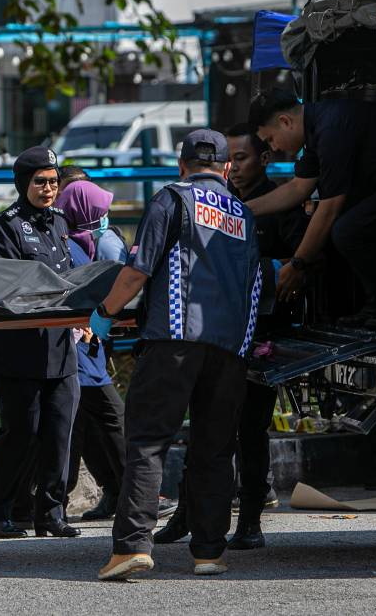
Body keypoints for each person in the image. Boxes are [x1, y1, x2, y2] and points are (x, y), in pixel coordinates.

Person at [91, 129, 261, 580]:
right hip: (229, 349)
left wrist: (103, 313)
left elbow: (136, 272)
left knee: (147, 441)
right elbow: (256, 285)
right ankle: (208, 552)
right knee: (214, 449)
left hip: (174, 339)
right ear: (226, 169)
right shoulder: (244, 213)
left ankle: (132, 547)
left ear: (181, 165)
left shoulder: (172, 199)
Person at [154, 122, 310, 550]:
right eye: (231, 159)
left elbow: (296, 264)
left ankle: (250, 522)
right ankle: (187, 516)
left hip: (258, 335)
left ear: (261, 159)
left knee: (250, 431)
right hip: (209, 334)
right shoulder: (212, 201)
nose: (233, 167)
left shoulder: (280, 204)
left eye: (240, 158)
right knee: (201, 428)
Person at [0, 146, 82, 539]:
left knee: (59, 431)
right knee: (20, 430)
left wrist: (80, 318)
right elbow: (4, 283)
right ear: (24, 184)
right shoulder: (5, 225)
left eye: (54, 181)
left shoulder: (58, 222)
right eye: (40, 182)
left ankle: (52, 513)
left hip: (58, 346)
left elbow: (69, 274)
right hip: (18, 347)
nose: (49, 189)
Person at [247, 90, 376, 321]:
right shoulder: (316, 127)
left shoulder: (331, 129)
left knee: (348, 230)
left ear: (285, 122)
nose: (273, 148)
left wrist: (297, 264)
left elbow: (329, 207)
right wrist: (241, 209)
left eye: (270, 139)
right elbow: (297, 188)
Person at [55, 179, 128, 521]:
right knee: (113, 417)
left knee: (86, 423)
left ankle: (112, 491)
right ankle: (139, 491)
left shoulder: (83, 243)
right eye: (99, 211)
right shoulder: (70, 247)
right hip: (78, 347)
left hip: (86, 346)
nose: (105, 217)